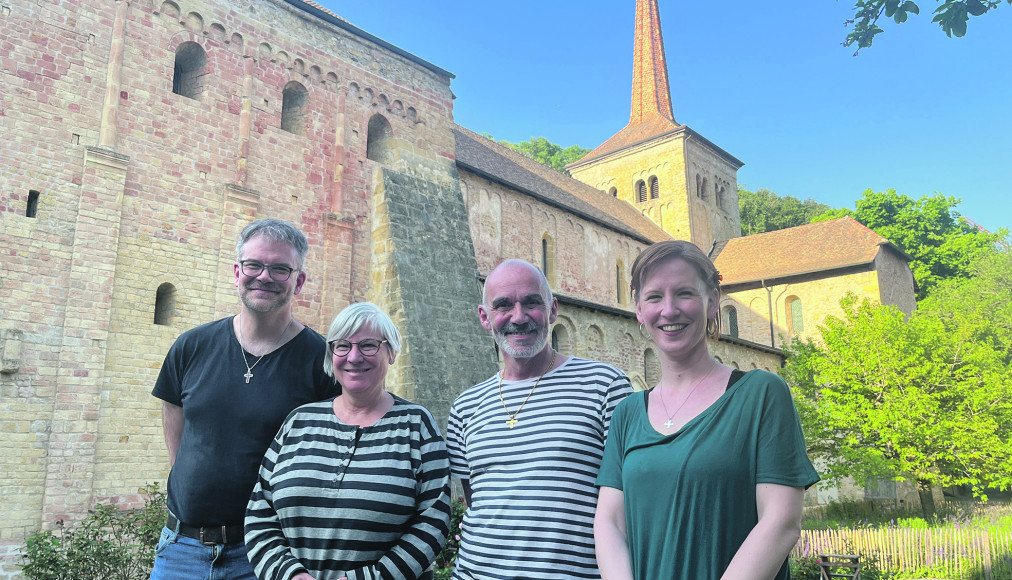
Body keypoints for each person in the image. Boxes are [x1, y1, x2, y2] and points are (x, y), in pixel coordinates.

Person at [594, 240, 820, 580]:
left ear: (713, 301)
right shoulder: (627, 414)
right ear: (639, 309)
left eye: (684, 293)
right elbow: (609, 523)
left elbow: (781, 522)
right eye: (654, 297)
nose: (669, 310)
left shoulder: (760, 394)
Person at [150, 218, 339, 580]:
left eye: (280, 268)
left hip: (266, 556)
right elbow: (173, 408)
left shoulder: (323, 362)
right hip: (180, 548)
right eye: (254, 265)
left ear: (299, 281)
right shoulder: (192, 345)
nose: (264, 276)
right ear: (238, 271)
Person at [446, 259, 633, 580]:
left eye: (532, 302)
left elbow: (632, 501)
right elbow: (474, 498)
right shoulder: (465, 406)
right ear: (484, 317)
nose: (518, 317)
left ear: (553, 310)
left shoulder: (605, 387)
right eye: (503, 305)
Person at [245, 302, 452, 580]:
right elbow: (260, 513)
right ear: (332, 354)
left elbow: (434, 521)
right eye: (342, 345)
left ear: (390, 352)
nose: (354, 357)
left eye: (369, 345)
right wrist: (290, 575)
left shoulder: (416, 425)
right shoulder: (298, 421)